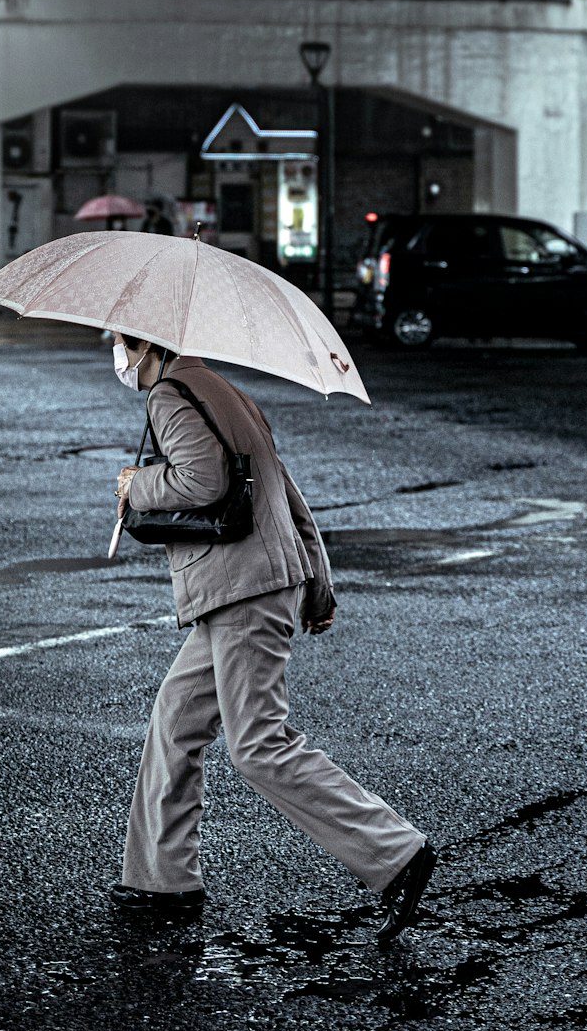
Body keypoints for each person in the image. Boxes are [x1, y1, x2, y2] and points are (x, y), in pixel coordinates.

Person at [107, 331, 436, 944]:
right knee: (177, 716)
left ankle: (396, 855)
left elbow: (201, 482)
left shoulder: (171, 395)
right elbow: (283, 490)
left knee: (258, 744)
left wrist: (136, 484)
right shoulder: (223, 389)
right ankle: (160, 880)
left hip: (244, 590)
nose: (119, 357)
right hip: (259, 584)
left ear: (146, 345)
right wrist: (316, 583)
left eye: (123, 343)